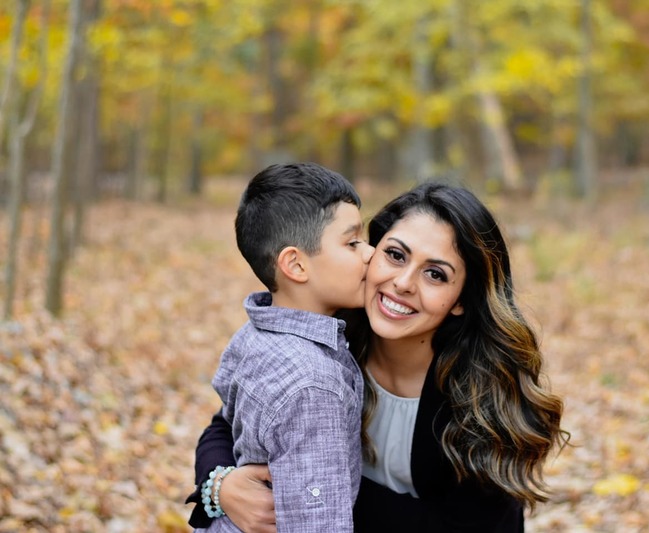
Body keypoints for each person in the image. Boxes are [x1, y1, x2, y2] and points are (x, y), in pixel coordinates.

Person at [187, 182, 569, 532]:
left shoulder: (483, 389)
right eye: (396, 255)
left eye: (435, 274)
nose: (403, 283)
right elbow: (229, 420)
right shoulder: (327, 342)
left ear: (460, 301)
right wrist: (221, 484)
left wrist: (297, 493)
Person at [195, 163, 375, 532]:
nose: (370, 253)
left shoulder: (254, 333)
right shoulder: (313, 384)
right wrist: (217, 486)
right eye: (352, 242)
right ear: (295, 264)